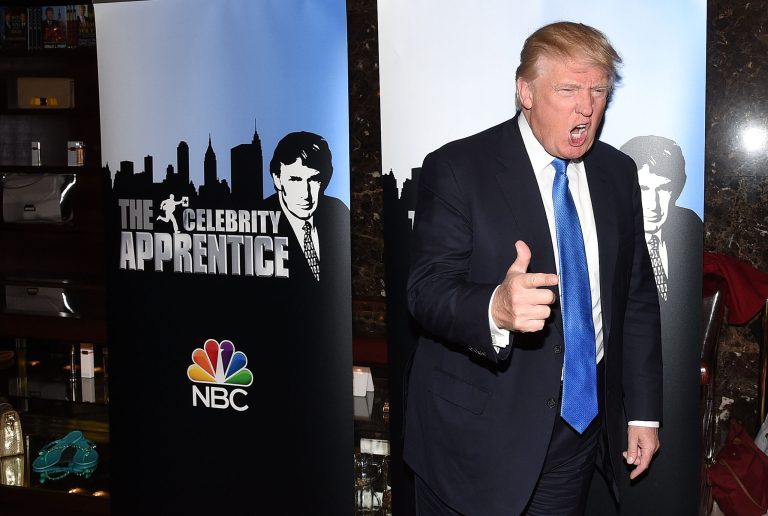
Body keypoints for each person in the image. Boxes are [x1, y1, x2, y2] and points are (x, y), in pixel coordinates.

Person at [404, 21, 663, 515]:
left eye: (598, 90)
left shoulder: (616, 173)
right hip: (475, 441)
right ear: (525, 90)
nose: (586, 107)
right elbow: (425, 291)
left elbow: (635, 299)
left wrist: (644, 414)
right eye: (567, 89)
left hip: (574, 435)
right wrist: (494, 307)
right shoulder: (459, 169)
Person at [619, 135, 703, 306]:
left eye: (664, 188)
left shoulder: (690, 225)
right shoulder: (608, 231)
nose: (653, 204)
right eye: (643, 188)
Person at [264, 131, 350, 284]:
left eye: (314, 179)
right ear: (277, 179)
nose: (306, 194)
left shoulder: (337, 211)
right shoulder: (260, 219)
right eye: (295, 179)